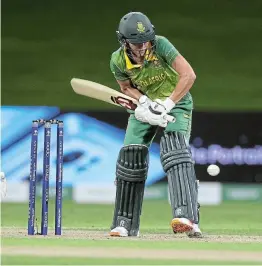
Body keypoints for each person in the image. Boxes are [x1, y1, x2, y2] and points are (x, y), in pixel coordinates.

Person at [109, 11, 202, 238]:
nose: (142, 47)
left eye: (145, 41)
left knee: (175, 150)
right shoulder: (118, 60)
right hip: (144, 109)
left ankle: (186, 216)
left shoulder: (161, 45)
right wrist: (142, 102)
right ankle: (125, 222)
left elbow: (188, 75)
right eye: (136, 43)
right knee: (130, 156)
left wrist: (167, 104)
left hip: (176, 104)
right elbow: (125, 88)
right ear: (124, 41)